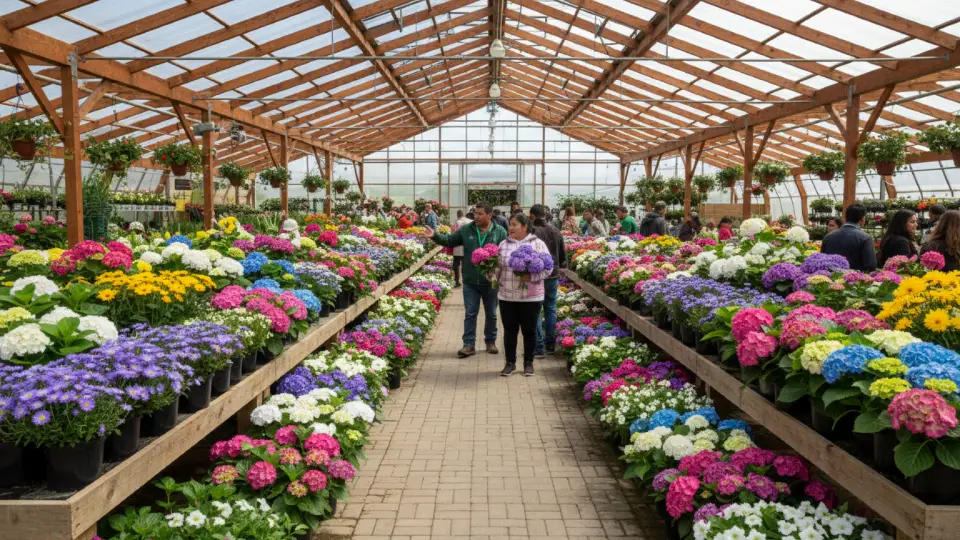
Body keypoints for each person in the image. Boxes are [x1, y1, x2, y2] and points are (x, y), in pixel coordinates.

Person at [423, 202, 507, 358]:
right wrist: (434, 236)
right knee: (470, 313)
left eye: (480, 213)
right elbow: (450, 240)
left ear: (489, 215)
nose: (476, 216)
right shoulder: (466, 230)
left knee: (492, 314)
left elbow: (505, 253)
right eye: (475, 213)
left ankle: (490, 341)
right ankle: (468, 344)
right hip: (470, 280)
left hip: (491, 280)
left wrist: (495, 268)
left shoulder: (500, 231)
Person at [494, 213, 553, 376]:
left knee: (529, 331)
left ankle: (528, 363)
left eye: (514, 225)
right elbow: (497, 269)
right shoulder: (503, 244)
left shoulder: (538, 244)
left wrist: (531, 276)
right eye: (510, 225)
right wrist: (489, 272)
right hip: (507, 296)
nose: (510, 228)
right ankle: (510, 363)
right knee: (510, 330)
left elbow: (548, 269)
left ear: (525, 227)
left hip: (531, 297)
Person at [529, 204, 565, 359]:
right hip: (553, 275)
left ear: (531, 216)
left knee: (535, 311)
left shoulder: (531, 232)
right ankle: (550, 344)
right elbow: (563, 256)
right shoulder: (555, 231)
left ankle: (538, 348)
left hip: (537, 276)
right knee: (550, 309)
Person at [821, 203, 878, 272]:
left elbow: (821, 261)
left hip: (830, 279)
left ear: (845, 217)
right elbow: (871, 266)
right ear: (863, 219)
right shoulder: (865, 238)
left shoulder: (828, 237)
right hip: (855, 280)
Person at [451, 209, 471, 287]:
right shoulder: (469, 222)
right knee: (466, 264)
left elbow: (452, 235)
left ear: (457, 215)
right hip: (467, 246)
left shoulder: (455, 223)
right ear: (463, 214)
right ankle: (466, 280)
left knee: (456, 264)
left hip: (457, 247)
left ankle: (456, 281)